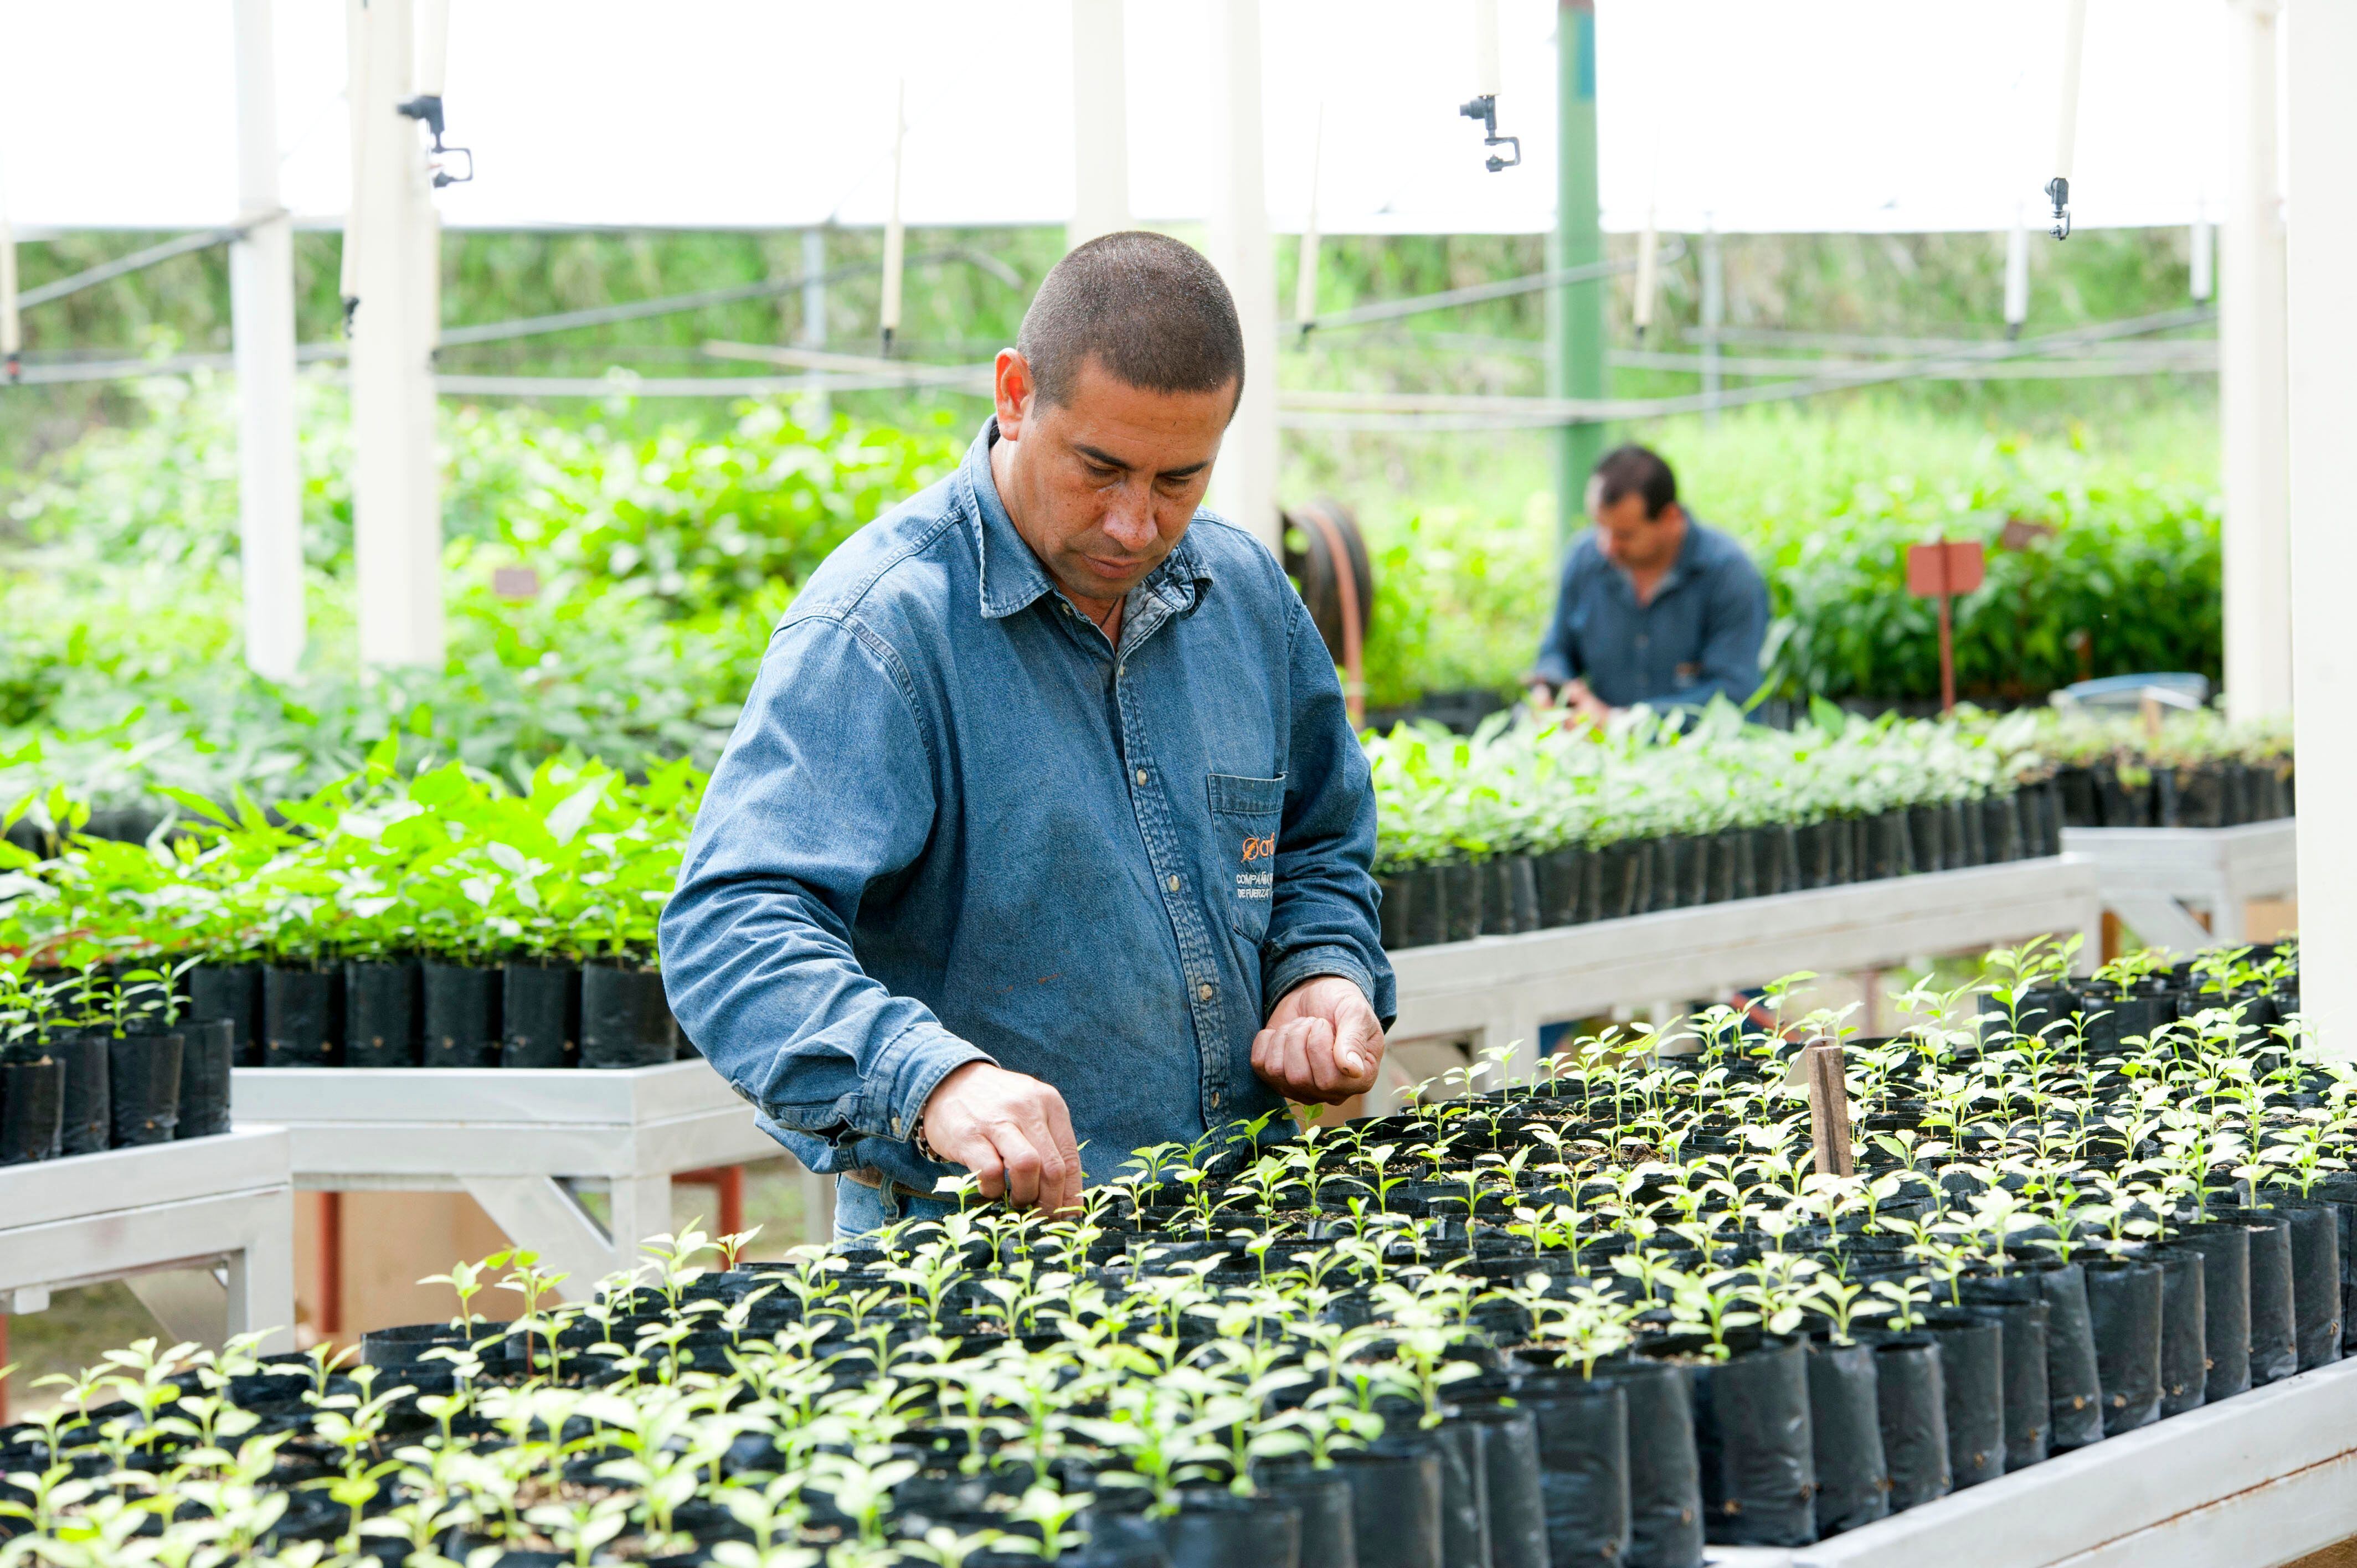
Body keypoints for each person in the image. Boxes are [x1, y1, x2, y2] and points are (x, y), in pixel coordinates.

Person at [660, 232, 1396, 1237]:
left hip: (1241, 1222)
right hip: (975, 1255)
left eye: (1179, 480)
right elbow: (732, 925)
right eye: (1100, 469)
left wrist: (1321, 970)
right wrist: (939, 1083)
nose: (1135, 524)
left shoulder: (1246, 597)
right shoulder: (884, 628)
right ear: (1014, 393)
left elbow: (1316, 838)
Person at [1526, 444, 1770, 721]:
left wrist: (1623, 722)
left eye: (1625, 535)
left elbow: (1734, 694)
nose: (1608, 546)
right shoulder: (1583, 560)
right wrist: (1554, 689)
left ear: (1670, 518)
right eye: (1599, 526)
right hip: (1600, 753)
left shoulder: (1729, 575)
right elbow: (1556, 650)